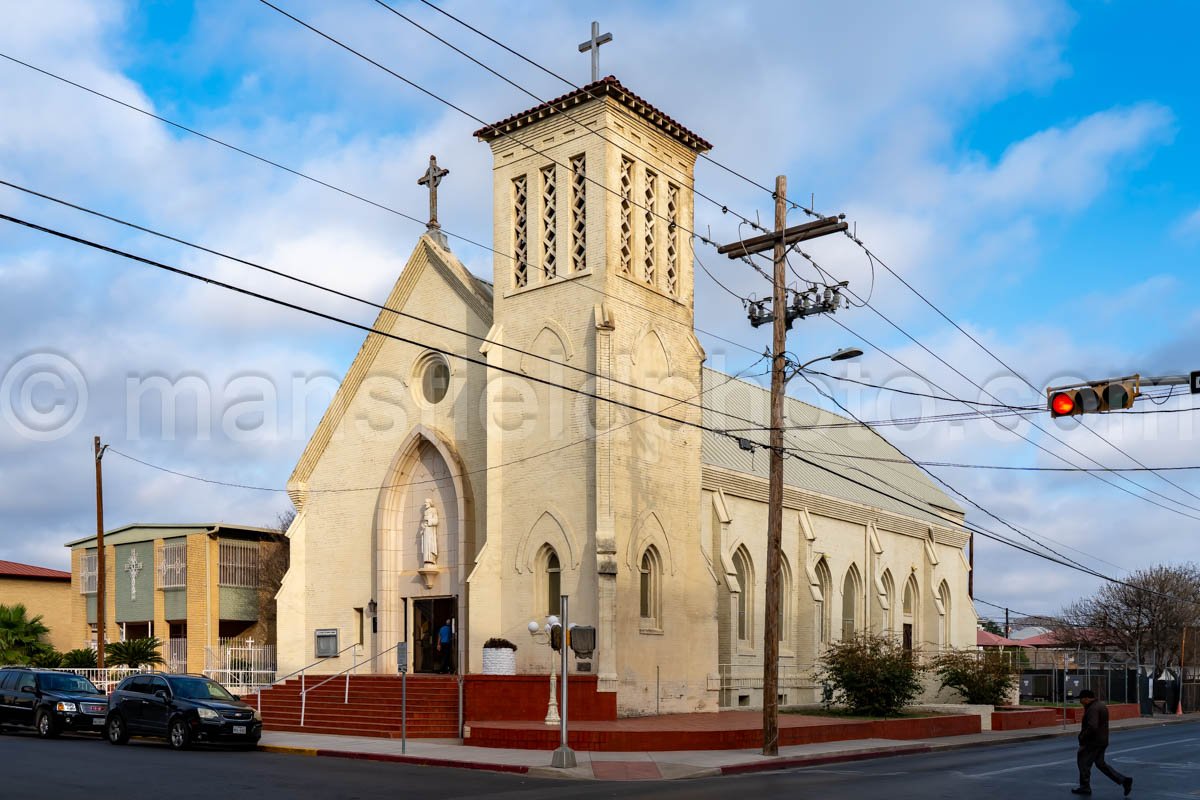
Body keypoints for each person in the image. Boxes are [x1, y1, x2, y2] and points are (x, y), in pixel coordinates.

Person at [1072, 689, 1133, 796]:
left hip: (1092, 742)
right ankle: (1124, 780)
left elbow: (1092, 726)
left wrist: (1082, 736)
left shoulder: (1093, 709)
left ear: (1086, 698)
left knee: (1083, 762)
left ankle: (1085, 787)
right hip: (1102, 741)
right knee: (1100, 764)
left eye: (1081, 700)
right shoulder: (1100, 705)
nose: (1080, 702)